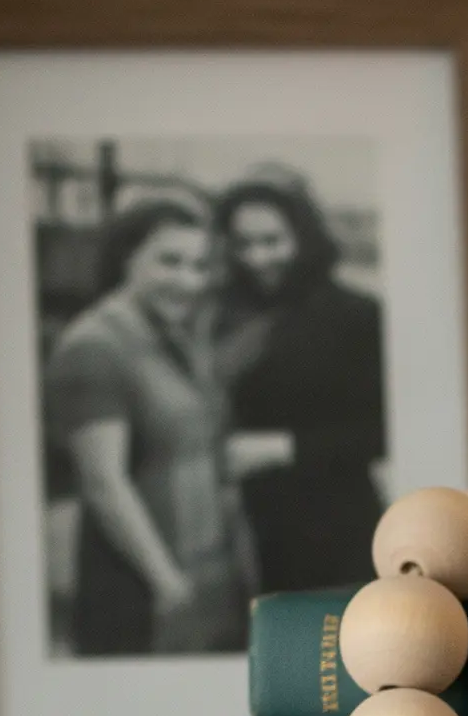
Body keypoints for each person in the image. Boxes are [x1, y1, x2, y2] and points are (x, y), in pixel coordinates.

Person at [44, 193, 252, 655]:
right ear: (126, 259)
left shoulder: (172, 335)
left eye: (200, 266)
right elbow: (104, 483)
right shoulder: (94, 347)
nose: (189, 281)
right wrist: (168, 584)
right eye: (170, 262)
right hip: (140, 585)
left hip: (201, 570)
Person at [213, 168, 387, 591]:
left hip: (332, 527)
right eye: (242, 244)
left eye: (272, 241)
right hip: (241, 529)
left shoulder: (355, 315)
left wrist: (284, 447)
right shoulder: (217, 315)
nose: (256, 258)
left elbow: (383, 432)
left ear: (304, 238)